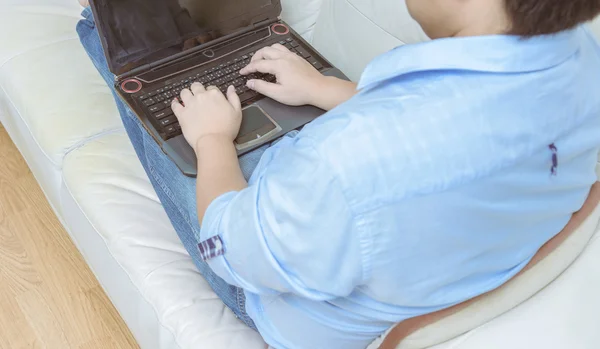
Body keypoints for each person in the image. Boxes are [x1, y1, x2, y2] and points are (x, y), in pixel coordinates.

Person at [77, 0, 600, 348]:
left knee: (118, 47)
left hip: (286, 291)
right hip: (400, 238)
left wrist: (213, 141)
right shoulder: (581, 59)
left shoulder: (348, 162)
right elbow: (452, 118)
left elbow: (231, 247)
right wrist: (326, 91)